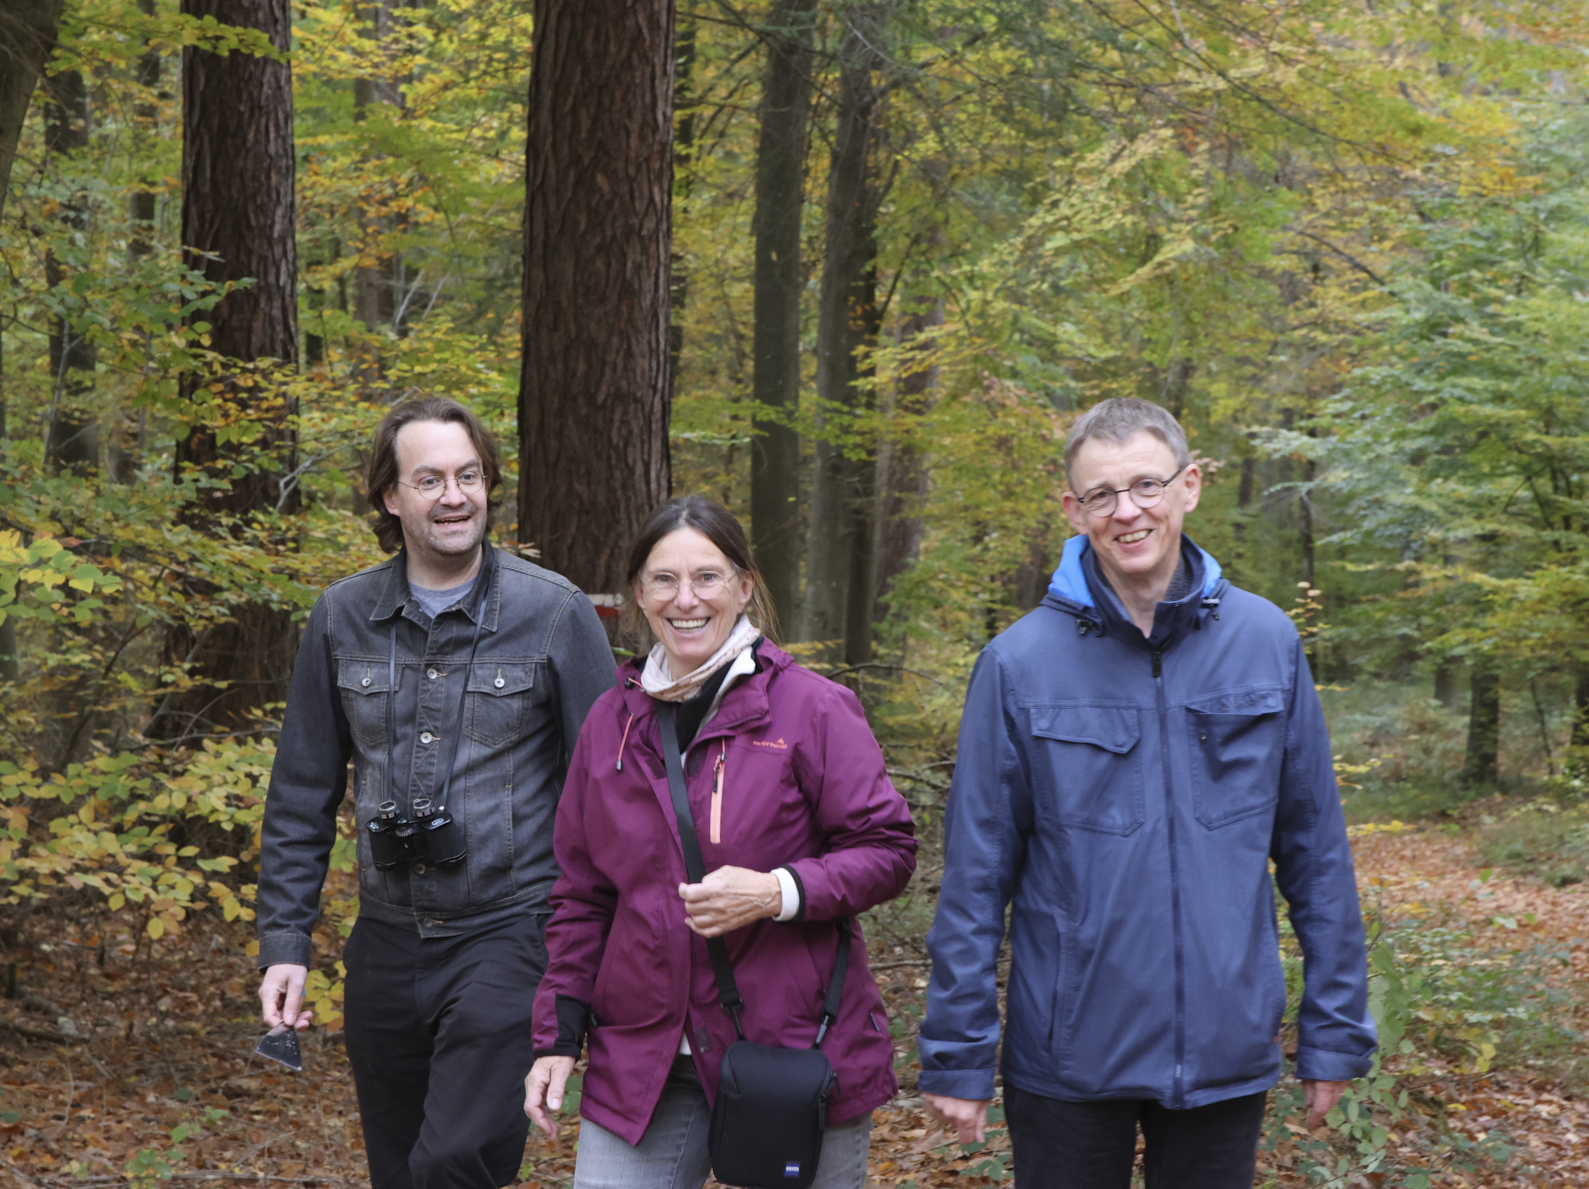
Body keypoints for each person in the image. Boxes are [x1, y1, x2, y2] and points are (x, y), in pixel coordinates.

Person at [918, 398, 1376, 1188]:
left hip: (1225, 1047)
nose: (1126, 510)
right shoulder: (1017, 664)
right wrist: (958, 1053)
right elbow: (975, 876)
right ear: (1073, 509)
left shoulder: (1266, 642)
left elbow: (1316, 853)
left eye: (1145, 485)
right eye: (1101, 493)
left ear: (1188, 485)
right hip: (1067, 1056)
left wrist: (1334, 1031)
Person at [254, 395, 618, 1189]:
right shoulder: (342, 616)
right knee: (401, 1170)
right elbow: (301, 792)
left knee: (451, 1163)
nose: (455, 496)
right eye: (430, 480)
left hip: (511, 934)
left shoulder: (554, 613)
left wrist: (593, 961)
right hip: (384, 942)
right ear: (391, 495)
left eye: (469, 476)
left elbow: (615, 793)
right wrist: (286, 942)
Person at [523, 496, 916, 1189]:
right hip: (642, 1059)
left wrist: (777, 891)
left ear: (743, 586)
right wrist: (556, 1036)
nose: (686, 599)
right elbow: (583, 897)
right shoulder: (610, 723)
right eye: (664, 579)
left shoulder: (812, 707)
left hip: (790, 1051)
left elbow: (887, 849)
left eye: (707, 577)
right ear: (639, 593)